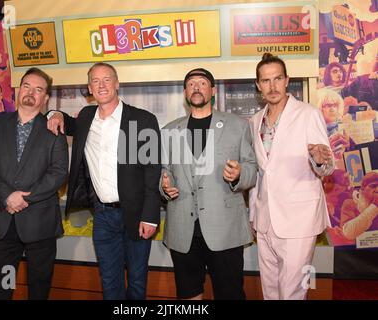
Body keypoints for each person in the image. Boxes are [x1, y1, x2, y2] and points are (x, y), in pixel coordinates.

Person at [47, 62, 161, 300]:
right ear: (89, 87)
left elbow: (152, 172)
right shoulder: (87, 117)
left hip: (136, 214)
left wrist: (150, 216)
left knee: (137, 282)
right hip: (103, 217)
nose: (101, 85)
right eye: (95, 81)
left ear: (117, 83)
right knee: (109, 281)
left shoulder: (142, 120)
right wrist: (53, 113)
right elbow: (65, 122)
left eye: (107, 79)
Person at [160, 68, 257, 300]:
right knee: (188, 294)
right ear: (185, 92)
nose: (196, 87)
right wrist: (164, 186)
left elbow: (252, 168)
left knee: (230, 293)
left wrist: (239, 174)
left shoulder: (238, 125)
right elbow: (163, 171)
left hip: (224, 230)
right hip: (183, 230)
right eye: (191, 83)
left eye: (202, 83)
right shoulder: (169, 130)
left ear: (212, 90)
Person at [0, 67, 68, 300]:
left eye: (38, 89)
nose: (31, 92)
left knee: (39, 285)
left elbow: (58, 173)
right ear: (18, 90)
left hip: (40, 223)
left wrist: (24, 197)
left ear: (45, 98)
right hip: (3, 221)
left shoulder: (53, 130)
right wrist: (8, 196)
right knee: (3, 283)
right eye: (27, 86)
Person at [249, 53, 335, 300]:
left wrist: (320, 159)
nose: (272, 86)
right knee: (270, 289)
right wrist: (254, 215)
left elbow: (327, 167)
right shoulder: (255, 121)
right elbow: (260, 173)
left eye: (277, 79)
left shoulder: (308, 114)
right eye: (265, 81)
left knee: (294, 290)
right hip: (265, 220)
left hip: (299, 219)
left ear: (287, 80)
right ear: (258, 85)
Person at [339, 171, 378, 242]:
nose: (377, 189)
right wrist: (375, 206)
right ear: (363, 188)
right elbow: (348, 233)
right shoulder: (350, 203)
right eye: (373, 186)